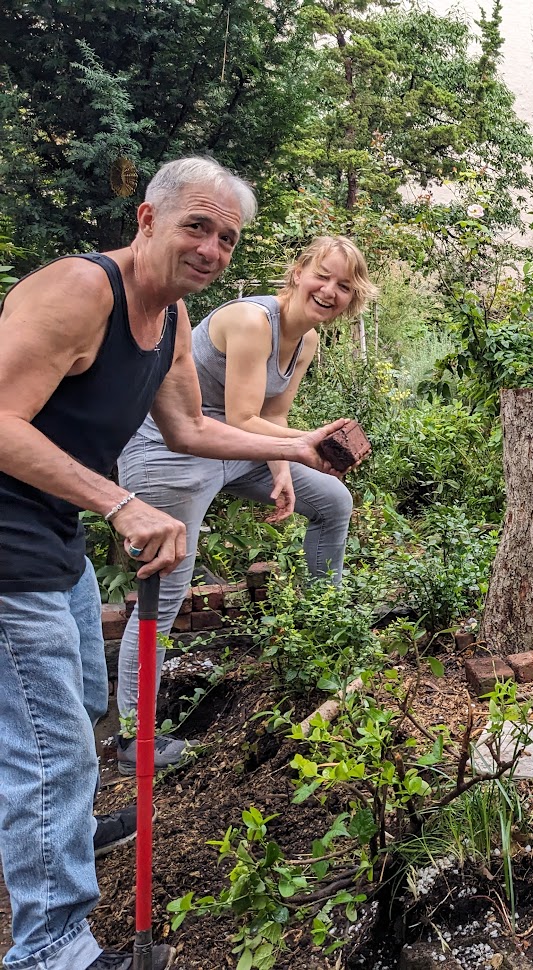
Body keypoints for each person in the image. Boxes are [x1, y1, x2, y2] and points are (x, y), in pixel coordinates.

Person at [0, 157, 352, 970]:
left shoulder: (170, 318)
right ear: (148, 219)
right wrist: (121, 502)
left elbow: (193, 429)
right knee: (49, 745)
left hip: (52, 531)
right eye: (198, 225)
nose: (212, 247)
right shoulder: (81, 292)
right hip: (8, 543)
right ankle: (53, 948)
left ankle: (64, 828)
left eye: (228, 236)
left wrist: (294, 445)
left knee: (85, 699)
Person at [113, 235, 376, 775]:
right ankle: (132, 740)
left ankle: (322, 630)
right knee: (165, 591)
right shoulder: (255, 322)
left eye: (344, 286)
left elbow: (270, 418)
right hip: (169, 448)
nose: (329, 291)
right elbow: (239, 418)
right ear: (298, 271)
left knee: (331, 501)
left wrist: (282, 471)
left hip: (234, 449)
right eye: (322, 276)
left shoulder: (305, 342)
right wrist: (307, 443)